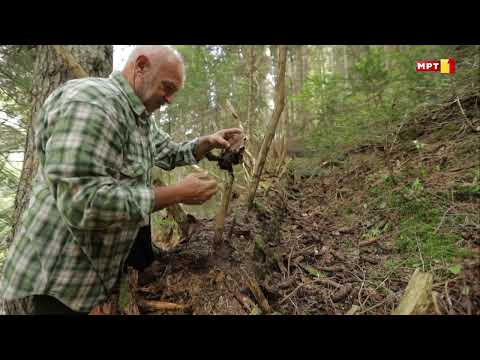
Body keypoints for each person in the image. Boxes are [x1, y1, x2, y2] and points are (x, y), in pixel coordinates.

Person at [0, 45, 243, 315]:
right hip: (61, 282)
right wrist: (177, 193)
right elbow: (84, 203)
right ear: (140, 66)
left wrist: (207, 142)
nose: (170, 99)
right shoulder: (92, 104)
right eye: (167, 87)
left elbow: (170, 152)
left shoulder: (139, 117)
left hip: (99, 275)